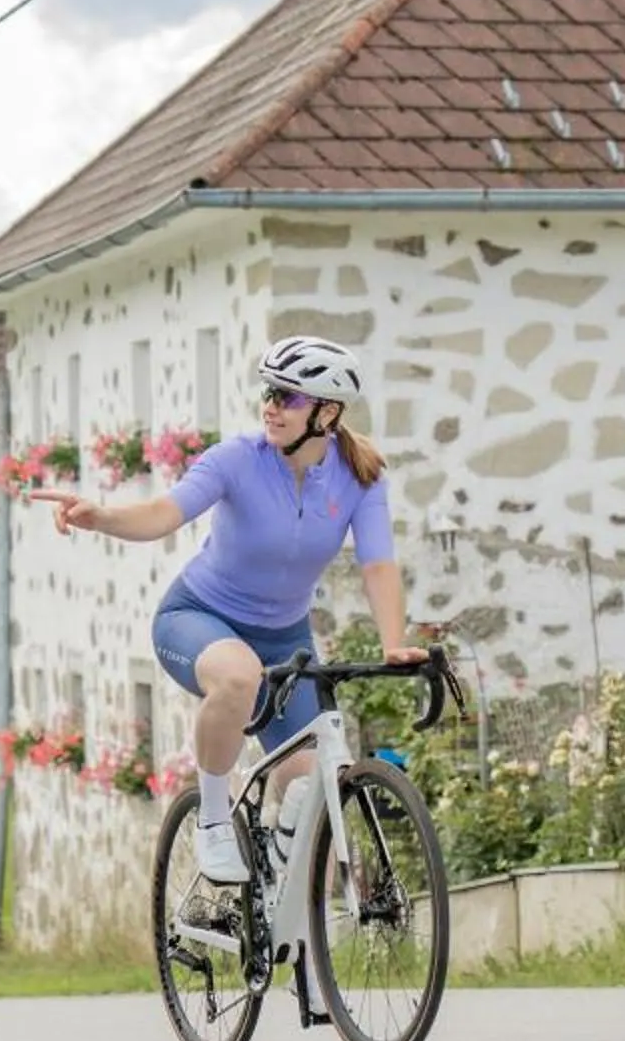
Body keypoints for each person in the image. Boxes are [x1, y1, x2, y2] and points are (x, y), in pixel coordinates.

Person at [42, 334, 424, 883]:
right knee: (239, 676)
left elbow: (379, 564)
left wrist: (393, 643)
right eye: (269, 392)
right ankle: (214, 822)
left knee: (312, 776)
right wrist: (99, 515)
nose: (271, 405)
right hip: (198, 617)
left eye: (289, 397)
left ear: (328, 412)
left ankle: (275, 874)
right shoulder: (236, 461)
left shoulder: (360, 478)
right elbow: (162, 514)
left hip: (284, 637)